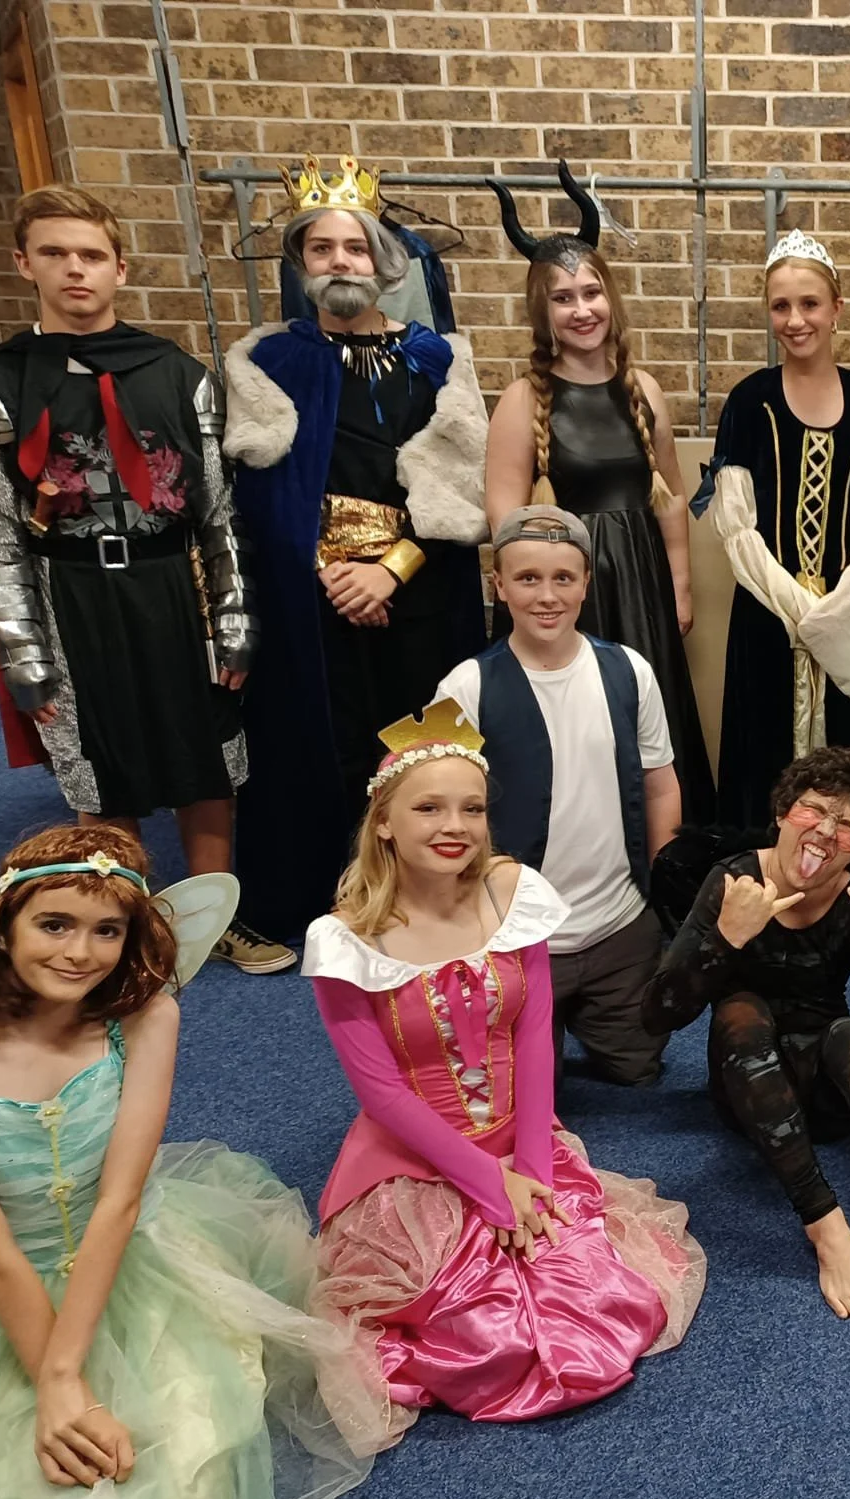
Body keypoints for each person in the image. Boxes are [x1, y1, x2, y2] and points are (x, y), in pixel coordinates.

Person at [0, 825, 389, 1499]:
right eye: (53, 924)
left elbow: (120, 1201)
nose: (80, 953)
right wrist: (55, 1381)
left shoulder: (144, 1020)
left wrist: (64, 1376)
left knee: (175, 1489)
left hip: (139, 1259)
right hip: (10, 1284)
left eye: (107, 931)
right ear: (3, 928)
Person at [303, 702, 705, 1422]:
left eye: (472, 808)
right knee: (479, 1336)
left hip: (522, 1140)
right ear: (385, 823)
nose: (453, 826)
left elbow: (533, 1035)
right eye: (428, 808)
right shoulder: (345, 940)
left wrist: (534, 1173)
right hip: (413, 1160)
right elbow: (384, 1095)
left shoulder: (512, 894)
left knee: (597, 1294)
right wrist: (492, 1187)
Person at [0, 184, 286, 974]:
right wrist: (24, 650)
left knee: (208, 755)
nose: (75, 270)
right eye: (55, 254)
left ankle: (213, 916)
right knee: (103, 761)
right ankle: (127, 923)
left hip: (172, 584)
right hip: (71, 592)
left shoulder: (176, 373)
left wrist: (234, 617)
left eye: (92, 255)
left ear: (120, 268)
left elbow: (219, 515)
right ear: (23, 262)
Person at [224, 153, 489, 943]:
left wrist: (389, 571)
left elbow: (461, 490)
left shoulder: (438, 360)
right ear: (301, 262)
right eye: (322, 248)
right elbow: (264, 496)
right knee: (320, 743)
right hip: (311, 595)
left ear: (382, 260)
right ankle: (324, 902)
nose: (341, 261)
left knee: (418, 745)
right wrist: (328, 570)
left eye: (355, 247)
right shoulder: (269, 361)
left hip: (419, 589)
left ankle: (425, 899)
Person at [642, 747, 850, 1322]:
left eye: (847, 826)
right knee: (740, 1010)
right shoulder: (734, 882)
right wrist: (725, 937)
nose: (825, 831)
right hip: (748, 1094)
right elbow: (656, 1017)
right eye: (813, 811)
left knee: (843, 1029)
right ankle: (827, 1227)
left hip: (827, 1094)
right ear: (783, 813)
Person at [487, 173, 716, 821]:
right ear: (544, 312)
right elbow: (504, 514)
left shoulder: (643, 390)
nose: (581, 309)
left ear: (610, 298)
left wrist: (680, 586)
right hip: (571, 584)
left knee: (650, 720)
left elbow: (669, 497)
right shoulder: (523, 399)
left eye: (591, 292)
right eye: (563, 298)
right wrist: (538, 590)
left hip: (640, 577)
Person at [434, 509, 681, 1087]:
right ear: (499, 583)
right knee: (521, 1094)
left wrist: (663, 890)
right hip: (517, 938)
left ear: (586, 583)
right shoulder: (467, 686)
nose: (547, 596)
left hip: (619, 927)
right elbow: (436, 814)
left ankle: (604, 1010)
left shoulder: (629, 670)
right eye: (527, 579)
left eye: (563, 579)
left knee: (638, 1071)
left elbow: (661, 782)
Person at [699, 230, 850, 829]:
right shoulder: (748, 402)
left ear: (837, 309)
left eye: (810, 303)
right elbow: (737, 530)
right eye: (781, 306)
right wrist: (797, 608)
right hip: (767, 615)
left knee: (848, 758)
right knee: (763, 749)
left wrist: (835, 614)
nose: (795, 320)